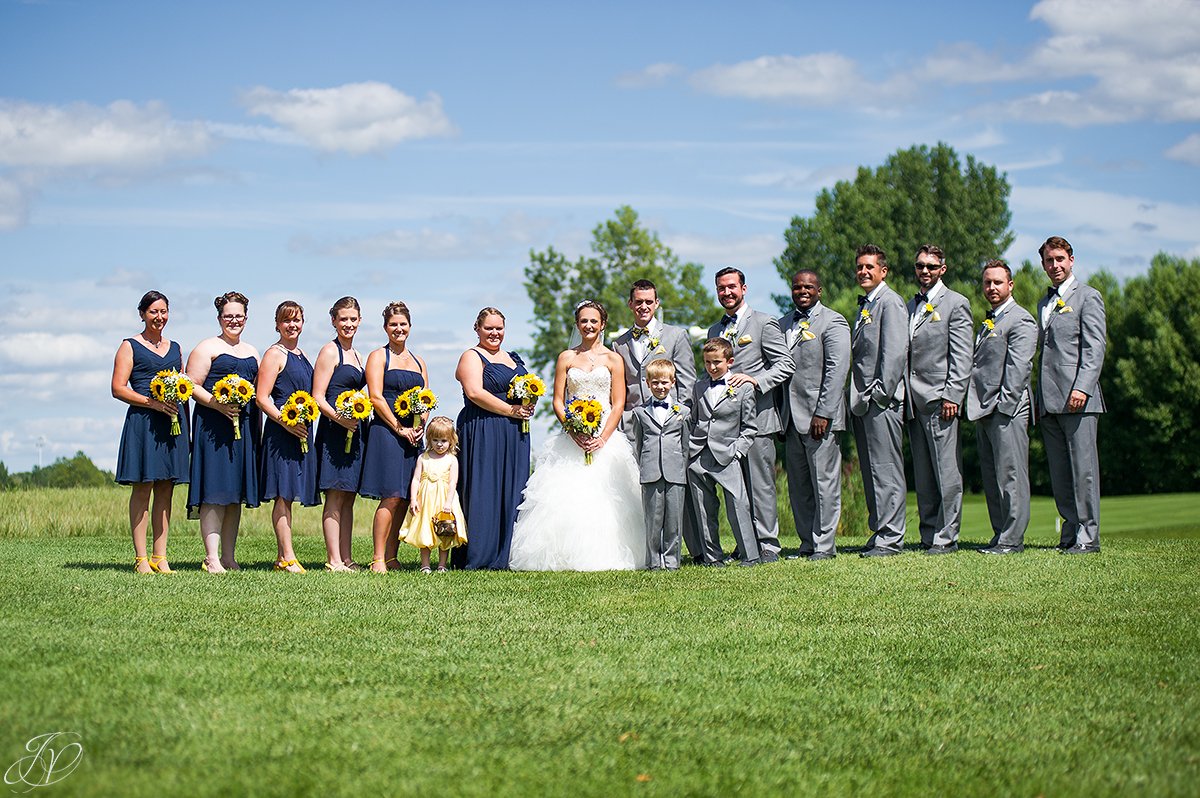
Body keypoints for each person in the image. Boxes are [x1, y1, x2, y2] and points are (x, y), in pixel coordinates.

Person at [509, 300, 648, 571]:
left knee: (608, 496)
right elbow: (558, 401)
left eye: (594, 321)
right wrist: (573, 431)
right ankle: (563, 555)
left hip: (604, 435)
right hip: (572, 436)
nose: (589, 326)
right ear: (577, 324)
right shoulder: (566, 358)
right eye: (584, 321)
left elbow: (618, 402)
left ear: (603, 324)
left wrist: (603, 437)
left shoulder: (613, 359)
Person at [706, 267, 794, 562]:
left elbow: (785, 364)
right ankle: (746, 545)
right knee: (736, 488)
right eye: (721, 288)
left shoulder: (764, 323)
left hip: (758, 419)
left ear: (744, 288)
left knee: (761, 485)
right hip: (727, 427)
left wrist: (757, 381)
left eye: (732, 287)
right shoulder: (714, 331)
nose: (727, 292)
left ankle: (768, 545)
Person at [1036, 236, 1107, 554]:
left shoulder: (1089, 297)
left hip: (1079, 399)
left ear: (1071, 260)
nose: (1055, 265)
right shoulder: (1043, 302)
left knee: (1084, 470)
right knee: (1061, 473)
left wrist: (1082, 387)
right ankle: (1069, 534)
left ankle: (1088, 536)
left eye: (1060, 259)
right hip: (1049, 402)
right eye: (1049, 261)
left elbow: (1095, 348)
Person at [112, 290, 190, 574]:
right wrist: (152, 403)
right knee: (143, 488)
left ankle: (161, 556)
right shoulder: (129, 345)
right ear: (142, 314)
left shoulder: (176, 347)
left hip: (171, 423)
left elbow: (183, 381)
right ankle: (140, 558)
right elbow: (118, 388)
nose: (159, 317)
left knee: (166, 489)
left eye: (163, 311)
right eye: (153, 312)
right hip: (143, 423)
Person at [451, 308, 534, 570]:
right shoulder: (471, 356)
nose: (495, 333)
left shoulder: (512, 357)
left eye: (499, 328)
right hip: (483, 428)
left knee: (513, 487)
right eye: (489, 328)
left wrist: (528, 403)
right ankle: (481, 553)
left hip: (514, 433)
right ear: (477, 329)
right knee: (483, 488)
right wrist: (511, 410)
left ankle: (508, 553)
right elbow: (475, 392)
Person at [777, 270, 850, 561]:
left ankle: (824, 546)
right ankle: (807, 542)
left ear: (819, 290)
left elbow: (836, 370)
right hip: (790, 419)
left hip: (821, 419)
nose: (802, 291)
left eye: (808, 287)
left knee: (824, 485)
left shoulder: (833, 322)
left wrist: (824, 412)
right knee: (799, 488)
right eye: (797, 287)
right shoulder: (782, 323)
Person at [905, 244, 973, 555]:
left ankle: (947, 537)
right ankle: (929, 532)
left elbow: (961, 356)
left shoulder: (956, 304)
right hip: (913, 401)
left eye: (931, 266)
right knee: (924, 473)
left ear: (942, 269)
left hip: (940, 399)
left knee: (946, 472)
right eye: (920, 266)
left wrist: (953, 395)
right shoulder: (909, 306)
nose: (925, 271)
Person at [186, 291, 261, 573]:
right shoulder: (207, 347)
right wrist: (218, 405)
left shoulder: (252, 351)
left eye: (238, 316)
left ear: (246, 318)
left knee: (234, 493)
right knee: (215, 491)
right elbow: (191, 385)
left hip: (242, 429)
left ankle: (229, 556)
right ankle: (212, 558)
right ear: (219, 318)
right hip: (213, 429)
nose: (234, 321)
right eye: (228, 316)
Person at [966, 260, 1038, 554]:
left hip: (1006, 409)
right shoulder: (991, 320)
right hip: (985, 409)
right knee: (992, 476)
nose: (991, 287)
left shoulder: (1021, 319)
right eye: (987, 283)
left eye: (997, 282)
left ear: (1010, 285)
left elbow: (1019, 368)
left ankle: (1012, 540)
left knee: (1011, 475)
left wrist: (1004, 406)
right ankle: (1000, 535)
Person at [849, 244, 908, 557]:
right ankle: (880, 531)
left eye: (869, 267)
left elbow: (895, 352)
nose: (863, 272)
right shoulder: (866, 305)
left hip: (881, 401)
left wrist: (880, 394)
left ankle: (891, 537)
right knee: (872, 472)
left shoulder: (891, 302)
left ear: (883, 271)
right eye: (860, 267)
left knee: (886, 470)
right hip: (864, 402)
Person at [361, 301, 428, 573]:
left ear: (410, 327)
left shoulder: (419, 361)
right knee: (389, 495)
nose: (398, 329)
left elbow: (425, 398)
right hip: (387, 432)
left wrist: (420, 424)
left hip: (413, 436)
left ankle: (392, 556)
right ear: (385, 328)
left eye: (403, 324)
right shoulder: (379, 356)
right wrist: (399, 428)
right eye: (393, 325)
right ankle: (377, 558)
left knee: (404, 496)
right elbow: (375, 396)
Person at [255, 300, 317, 573]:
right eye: (286, 320)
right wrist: (285, 421)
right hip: (281, 435)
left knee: (289, 495)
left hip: (300, 433)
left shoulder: (302, 354)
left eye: (297, 320)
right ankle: (288, 556)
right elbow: (262, 397)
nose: (292, 325)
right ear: (277, 324)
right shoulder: (274, 354)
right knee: (282, 495)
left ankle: (282, 558)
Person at [688, 338, 759, 566]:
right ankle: (712, 557)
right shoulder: (698, 387)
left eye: (717, 362)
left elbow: (749, 427)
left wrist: (737, 452)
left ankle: (750, 555)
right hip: (698, 454)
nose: (712, 367)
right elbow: (695, 418)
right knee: (703, 509)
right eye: (707, 362)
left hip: (727, 455)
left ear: (729, 361)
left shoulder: (743, 388)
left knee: (738, 505)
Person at [312, 296, 367, 572]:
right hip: (335, 431)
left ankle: (347, 557)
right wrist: (340, 420)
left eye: (353, 319)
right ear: (333, 320)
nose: (348, 324)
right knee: (334, 495)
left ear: (359, 321)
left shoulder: (358, 356)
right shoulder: (329, 352)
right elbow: (318, 397)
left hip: (355, 433)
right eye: (343, 319)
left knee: (348, 496)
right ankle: (333, 559)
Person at [628, 359, 690, 570]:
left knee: (674, 520)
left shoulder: (684, 412)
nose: (660, 387)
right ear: (647, 383)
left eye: (664, 382)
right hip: (650, 471)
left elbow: (685, 445)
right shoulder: (639, 412)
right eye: (655, 383)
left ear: (673, 382)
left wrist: (681, 468)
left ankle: (672, 561)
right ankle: (653, 561)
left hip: (675, 472)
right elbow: (637, 443)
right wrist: (644, 466)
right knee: (653, 521)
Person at [611, 279, 696, 425]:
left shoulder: (676, 336)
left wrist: (680, 416)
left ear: (657, 303)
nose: (643, 307)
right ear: (630, 304)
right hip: (632, 425)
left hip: (668, 423)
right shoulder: (619, 345)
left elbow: (687, 382)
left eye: (648, 302)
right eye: (639, 302)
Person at [399, 417, 468, 573]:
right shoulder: (423, 458)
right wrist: (413, 499)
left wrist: (448, 503)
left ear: (451, 440)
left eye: (443, 440)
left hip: (445, 500)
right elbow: (416, 479)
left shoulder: (452, 460)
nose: (439, 444)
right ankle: (425, 565)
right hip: (426, 500)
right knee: (425, 530)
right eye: (435, 440)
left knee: (445, 532)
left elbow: (452, 483)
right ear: (429, 439)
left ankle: (442, 565)